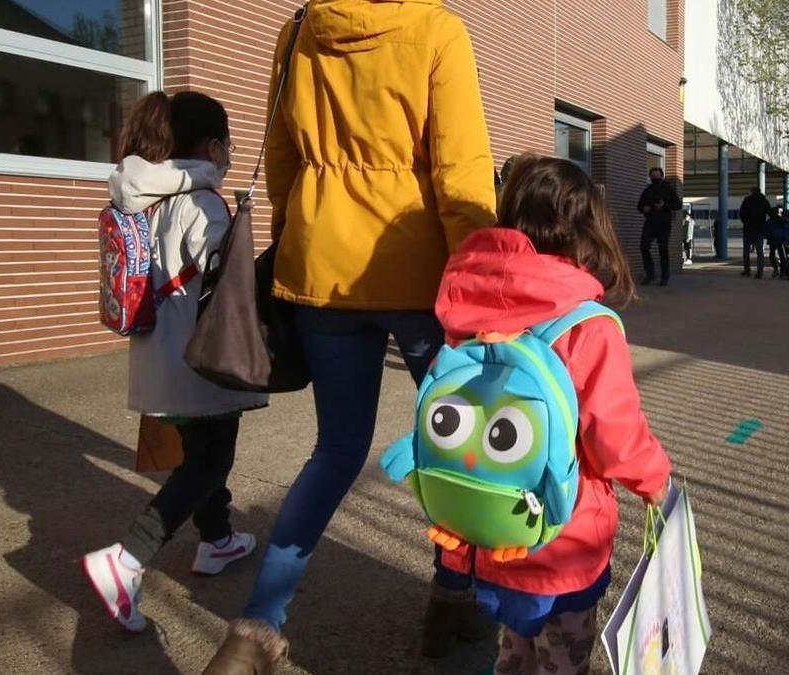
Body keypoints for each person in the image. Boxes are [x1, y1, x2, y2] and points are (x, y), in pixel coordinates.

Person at [203, 2, 497, 671]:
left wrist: (306, 236)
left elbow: (281, 159)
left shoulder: (301, 28)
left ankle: (255, 627)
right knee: (462, 451)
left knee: (335, 449)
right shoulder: (437, 29)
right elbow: (462, 175)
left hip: (323, 270)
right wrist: (481, 283)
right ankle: (454, 599)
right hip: (418, 273)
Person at [435, 156, 672, 675]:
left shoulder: (467, 305)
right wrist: (655, 480)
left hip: (490, 523)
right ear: (589, 228)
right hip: (561, 533)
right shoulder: (586, 323)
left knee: (514, 648)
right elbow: (614, 435)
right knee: (563, 653)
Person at [82, 91, 264, 633]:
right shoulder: (201, 201)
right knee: (208, 462)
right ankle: (129, 557)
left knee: (203, 454)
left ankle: (217, 540)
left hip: (157, 360)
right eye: (227, 146)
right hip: (201, 362)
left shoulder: (141, 197)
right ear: (212, 146)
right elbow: (224, 276)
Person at [637, 167, 682, 286]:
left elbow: (678, 205)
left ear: (661, 176)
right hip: (650, 223)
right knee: (644, 246)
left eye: (657, 176)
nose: (655, 178)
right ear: (650, 177)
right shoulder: (648, 190)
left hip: (664, 224)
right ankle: (650, 274)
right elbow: (640, 206)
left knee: (663, 250)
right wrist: (644, 208)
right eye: (653, 176)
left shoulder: (668, 188)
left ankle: (665, 276)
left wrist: (664, 205)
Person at [739, 186, 771, 278]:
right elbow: (770, 212)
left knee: (746, 252)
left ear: (752, 192)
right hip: (759, 230)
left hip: (748, 230)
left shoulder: (747, 200)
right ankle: (759, 272)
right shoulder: (764, 201)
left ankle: (747, 270)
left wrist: (746, 222)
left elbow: (741, 213)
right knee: (760, 252)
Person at [766, 206, 787, 277]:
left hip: (772, 240)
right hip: (780, 240)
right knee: (782, 255)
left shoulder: (769, 221)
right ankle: (783, 271)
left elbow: (767, 231)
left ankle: (776, 269)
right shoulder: (781, 220)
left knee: (772, 255)